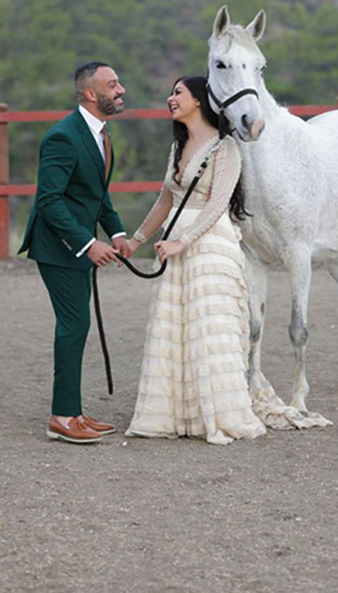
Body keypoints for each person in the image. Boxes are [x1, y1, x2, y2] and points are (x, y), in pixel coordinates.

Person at [124, 76, 266, 445]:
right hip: (175, 246)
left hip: (209, 245)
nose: (170, 98)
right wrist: (137, 240)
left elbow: (218, 204)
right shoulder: (178, 147)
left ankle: (218, 415)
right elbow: (165, 199)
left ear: (199, 100)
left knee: (210, 329)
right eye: (171, 93)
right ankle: (176, 416)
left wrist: (182, 241)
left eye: (178, 93)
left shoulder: (226, 148)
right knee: (176, 330)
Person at [19, 61, 134, 444]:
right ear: (89, 93)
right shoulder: (62, 137)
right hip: (58, 248)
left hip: (77, 246)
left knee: (76, 325)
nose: (121, 89)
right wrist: (88, 243)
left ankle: (74, 412)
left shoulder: (99, 133)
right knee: (74, 325)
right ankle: (63, 417)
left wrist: (116, 232)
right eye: (112, 84)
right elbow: (49, 200)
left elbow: (94, 193)